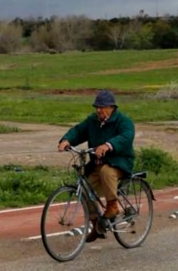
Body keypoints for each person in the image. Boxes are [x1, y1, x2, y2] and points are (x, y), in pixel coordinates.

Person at [57, 90, 135, 242]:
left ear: (112, 107)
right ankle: (97, 225)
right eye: (97, 107)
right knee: (85, 190)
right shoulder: (93, 121)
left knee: (107, 172)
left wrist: (108, 145)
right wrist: (66, 140)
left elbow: (125, 137)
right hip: (96, 164)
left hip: (119, 163)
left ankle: (112, 206)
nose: (98, 110)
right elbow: (79, 131)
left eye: (102, 107)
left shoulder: (124, 121)